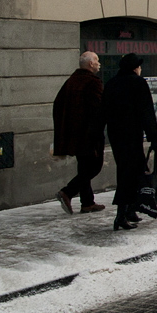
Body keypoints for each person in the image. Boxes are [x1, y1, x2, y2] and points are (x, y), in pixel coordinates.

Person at [102, 53, 157, 231]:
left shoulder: (111, 83)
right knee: (129, 174)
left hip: (116, 135)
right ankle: (121, 215)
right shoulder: (138, 83)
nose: (140, 69)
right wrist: (153, 137)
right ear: (134, 68)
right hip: (132, 135)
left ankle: (130, 210)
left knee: (131, 170)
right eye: (138, 66)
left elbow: (103, 111)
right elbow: (146, 111)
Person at [53, 51, 106, 214]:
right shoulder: (93, 82)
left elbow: (58, 105)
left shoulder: (71, 81)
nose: (99, 63)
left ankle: (87, 203)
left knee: (83, 167)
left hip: (75, 135)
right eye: (97, 60)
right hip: (89, 135)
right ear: (90, 64)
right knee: (94, 167)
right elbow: (98, 109)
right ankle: (67, 192)